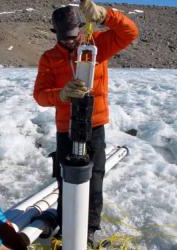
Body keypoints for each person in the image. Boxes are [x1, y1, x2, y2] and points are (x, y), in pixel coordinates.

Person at [33, 0, 139, 246]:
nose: (70, 41)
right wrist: (61, 93)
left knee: (95, 179)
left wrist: (105, 15)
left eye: (73, 36)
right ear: (56, 35)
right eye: (64, 38)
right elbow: (40, 95)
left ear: (81, 29)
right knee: (65, 180)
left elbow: (130, 32)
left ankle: (89, 229)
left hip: (94, 125)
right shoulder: (49, 58)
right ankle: (65, 225)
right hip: (65, 129)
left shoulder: (98, 45)